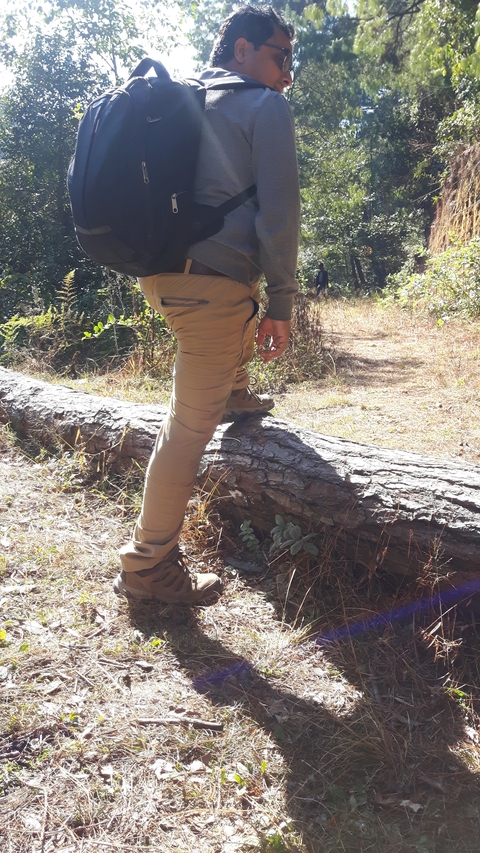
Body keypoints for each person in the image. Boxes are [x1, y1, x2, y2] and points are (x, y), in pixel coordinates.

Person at [114, 5, 300, 605]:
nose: (287, 74)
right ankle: (148, 565)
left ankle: (234, 389)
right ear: (242, 50)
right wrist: (284, 300)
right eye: (280, 56)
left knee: (219, 344)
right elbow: (278, 217)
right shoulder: (263, 107)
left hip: (163, 274)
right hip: (213, 287)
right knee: (187, 429)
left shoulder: (186, 97)